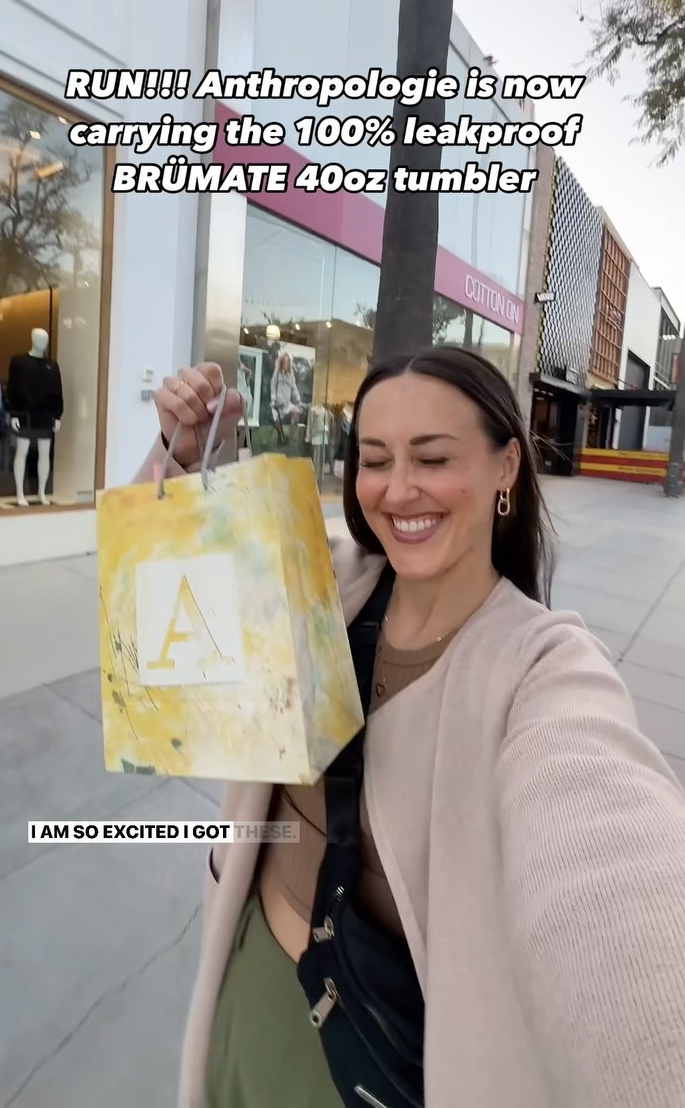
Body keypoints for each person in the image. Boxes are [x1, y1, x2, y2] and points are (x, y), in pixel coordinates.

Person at [139, 347, 685, 1108]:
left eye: (432, 458)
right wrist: (182, 459)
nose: (398, 490)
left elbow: (615, 887)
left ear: (506, 467)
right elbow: (163, 592)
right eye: (375, 460)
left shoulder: (543, 673)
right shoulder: (326, 582)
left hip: (365, 1059)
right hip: (244, 984)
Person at [270, 350, 302, 426]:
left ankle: (292, 429)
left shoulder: (291, 375)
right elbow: (273, 386)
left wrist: (298, 399)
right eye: (284, 361)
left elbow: (294, 387)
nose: (286, 363)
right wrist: (273, 400)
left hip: (287, 403)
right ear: (281, 362)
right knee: (278, 422)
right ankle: (278, 431)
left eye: (287, 361)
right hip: (279, 402)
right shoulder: (277, 373)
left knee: (297, 412)